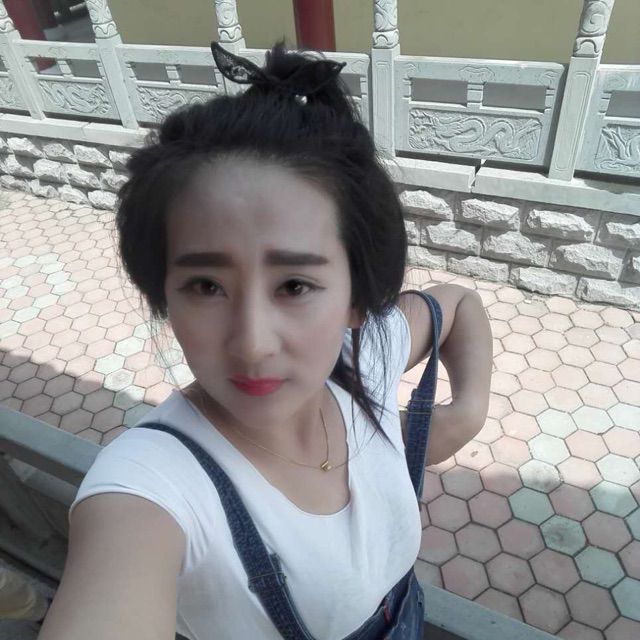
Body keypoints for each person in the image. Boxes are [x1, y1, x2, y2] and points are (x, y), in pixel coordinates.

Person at [39, 42, 492, 640]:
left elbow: (457, 304)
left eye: (295, 285)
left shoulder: (365, 359)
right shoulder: (152, 485)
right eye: (206, 285)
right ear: (164, 293)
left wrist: (464, 415)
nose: (251, 345)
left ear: (356, 298)